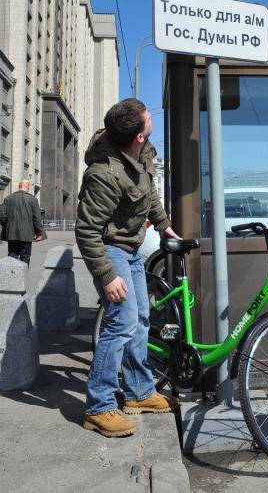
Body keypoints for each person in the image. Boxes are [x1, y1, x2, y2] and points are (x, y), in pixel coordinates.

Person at [75, 98, 181, 438]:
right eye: (146, 116)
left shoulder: (143, 149)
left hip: (133, 246)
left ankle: (139, 393)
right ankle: (99, 406)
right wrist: (106, 275)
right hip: (110, 249)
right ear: (136, 135)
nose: (150, 115)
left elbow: (148, 191)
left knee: (140, 319)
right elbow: (87, 231)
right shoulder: (104, 176)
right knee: (120, 322)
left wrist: (163, 225)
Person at [0, 179, 43, 266]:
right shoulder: (32, 199)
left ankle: (12, 277)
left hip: (12, 233)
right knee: (25, 257)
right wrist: (39, 232)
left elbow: (2, 215)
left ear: (19, 186)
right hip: (27, 234)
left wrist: (8, 226)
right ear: (28, 187)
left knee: (12, 256)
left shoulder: (8, 198)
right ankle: (23, 277)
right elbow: (37, 218)